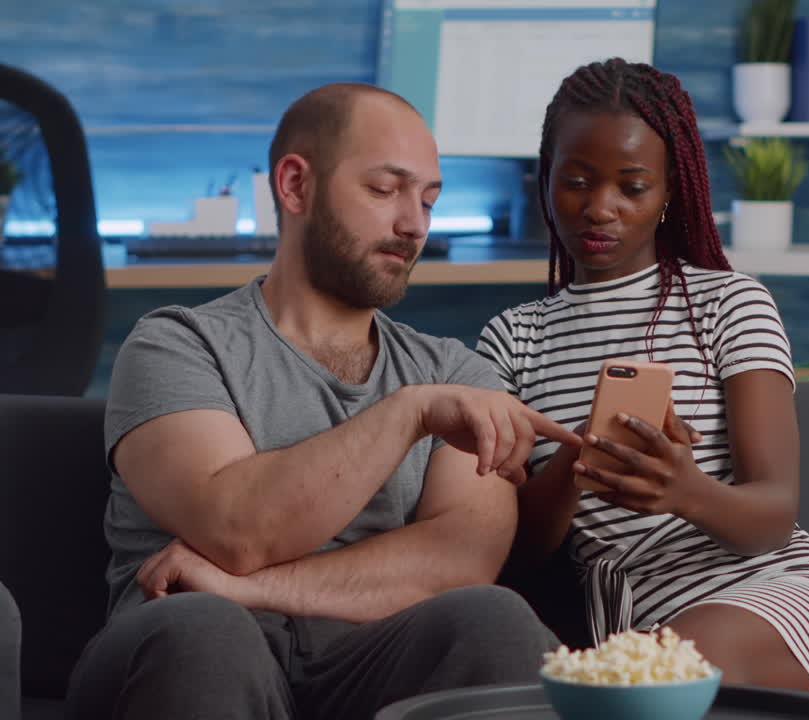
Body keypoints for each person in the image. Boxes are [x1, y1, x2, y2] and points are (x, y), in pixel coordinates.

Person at [66, 82, 580, 720]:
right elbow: (236, 530)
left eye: (428, 199)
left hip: (368, 661)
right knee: (205, 627)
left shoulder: (456, 370)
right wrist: (406, 413)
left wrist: (248, 587)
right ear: (294, 186)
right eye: (384, 189)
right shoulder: (177, 345)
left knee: (492, 615)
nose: (413, 224)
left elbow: (462, 558)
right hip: (183, 655)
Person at [477, 59, 809, 703]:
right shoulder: (513, 339)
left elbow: (773, 517)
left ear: (671, 191)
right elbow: (517, 552)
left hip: (784, 600)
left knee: (652, 678)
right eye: (576, 181)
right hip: (634, 630)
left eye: (632, 186)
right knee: (638, 679)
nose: (599, 208)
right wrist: (577, 459)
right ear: (546, 181)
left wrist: (684, 489)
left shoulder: (731, 304)